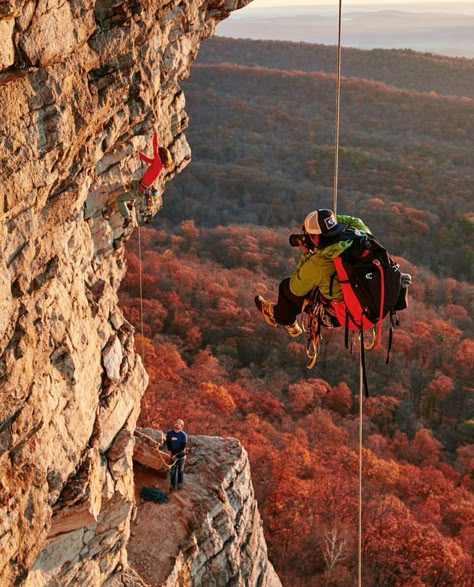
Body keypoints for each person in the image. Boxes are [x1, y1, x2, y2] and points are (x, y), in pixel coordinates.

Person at [255, 209, 372, 335]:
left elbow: (296, 289)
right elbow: (354, 220)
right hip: (368, 303)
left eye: (310, 235)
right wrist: (328, 222)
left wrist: (306, 255)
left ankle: (281, 317)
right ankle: (287, 319)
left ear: (316, 237)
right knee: (315, 282)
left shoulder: (320, 262)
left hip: (337, 314)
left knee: (286, 287)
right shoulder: (360, 233)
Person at [166, 419, 187, 492]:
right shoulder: (169, 433)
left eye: (179, 424)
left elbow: (182, 447)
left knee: (180, 470)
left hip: (181, 455)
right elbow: (168, 443)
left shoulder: (183, 435)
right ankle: (172, 485)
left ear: (182, 426)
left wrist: (176, 455)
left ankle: (180, 484)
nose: (177, 424)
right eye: (176, 423)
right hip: (172, 455)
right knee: (173, 471)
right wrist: (170, 452)